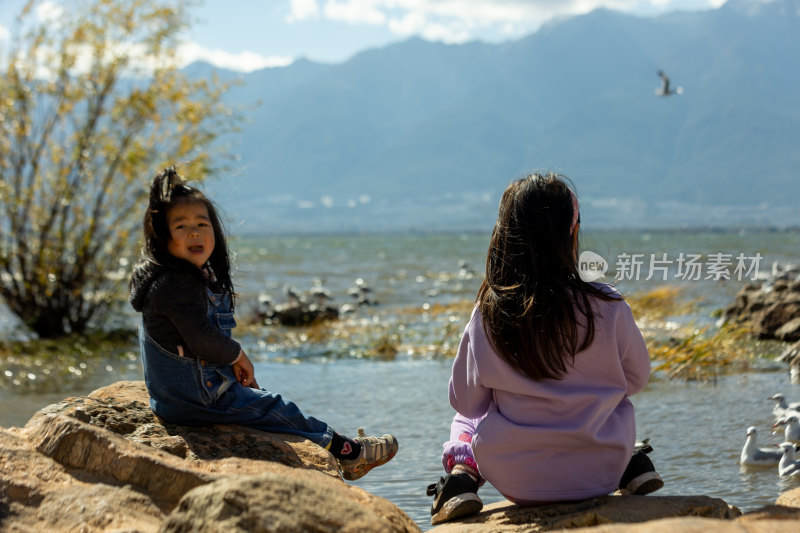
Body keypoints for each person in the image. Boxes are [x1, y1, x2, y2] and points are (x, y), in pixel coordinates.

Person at [129, 166, 398, 481]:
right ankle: (349, 452)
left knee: (262, 406)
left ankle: (337, 447)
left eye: (202, 224)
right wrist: (237, 356)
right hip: (194, 398)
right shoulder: (175, 284)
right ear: (162, 238)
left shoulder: (180, 278)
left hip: (181, 394)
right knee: (275, 407)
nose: (195, 232)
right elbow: (201, 339)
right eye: (182, 226)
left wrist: (230, 368)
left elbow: (196, 344)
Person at [426, 173, 662, 525]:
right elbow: (637, 379)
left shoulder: (491, 311)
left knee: (468, 417)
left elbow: (465, 401)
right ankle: (629, 460)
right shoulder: (609, 304)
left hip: (518, 478)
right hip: (601, 472)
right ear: (572, 229)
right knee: (612, 400)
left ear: (506, 234)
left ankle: (463, 476)